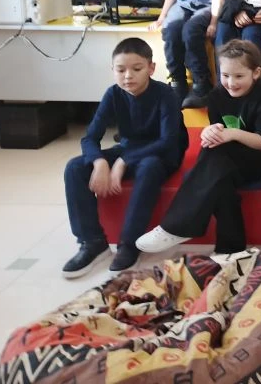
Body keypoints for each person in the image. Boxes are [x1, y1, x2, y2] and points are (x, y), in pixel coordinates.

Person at [136, 40, 261, 257]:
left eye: (239, 76)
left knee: (213, 164)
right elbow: (218, 132)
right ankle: (230, 252)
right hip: (230, 157)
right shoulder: (216, 96)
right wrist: (209, 132)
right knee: (218, 174)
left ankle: (175, 227)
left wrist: (231, 134)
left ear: (256, 73)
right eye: (225, 75)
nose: (231, 83)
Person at [62, 38, 188, 277]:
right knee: (75, 168)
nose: (128, 76)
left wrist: (123, 162)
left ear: (151, 68)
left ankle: (129, 243)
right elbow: (90, 138)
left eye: (136, 69)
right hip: (129, 150)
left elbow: (168, 141)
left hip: (161, 154)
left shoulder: (166, 94)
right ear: (113, 70)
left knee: (149, 167)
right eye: (121, 70)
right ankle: (92, 241)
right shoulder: (113, 94)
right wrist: (99, 161)